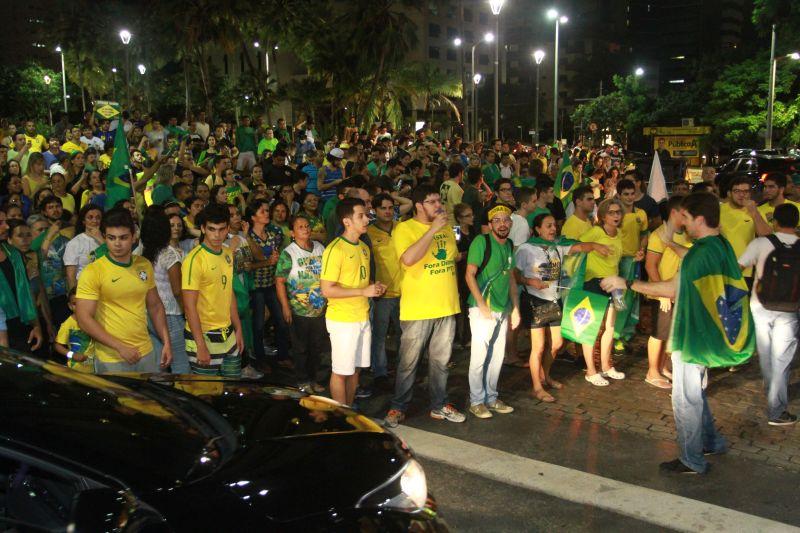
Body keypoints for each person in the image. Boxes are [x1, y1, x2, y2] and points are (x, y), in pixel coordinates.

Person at [602, 193, 754, 474]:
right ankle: (711, 441)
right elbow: (697, 263)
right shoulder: (719, 245)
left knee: (685, 398)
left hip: (693, 334)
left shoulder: (700, 252)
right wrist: (673, 244)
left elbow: (673, 288)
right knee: (696, 393)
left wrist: (627, 282)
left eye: (684, 217)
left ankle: (691, 459)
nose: (681, 223)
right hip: (709, 332)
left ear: (698, 219)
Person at [384, 185, 466, 427]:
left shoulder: (447, 227)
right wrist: (432, 231)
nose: (438, 205)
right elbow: (408, 259)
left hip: (446, 304)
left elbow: (451, 256)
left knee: (441, 361)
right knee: (408, 362)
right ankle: (398, 407)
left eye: (438, 201)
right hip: (418, 308)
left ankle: (439, 404)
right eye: (431, 202)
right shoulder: (404, 228)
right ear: (418, 206)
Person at [516, 213, 610, 401]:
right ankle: (536, 387)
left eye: (554, 225)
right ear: (537, 229)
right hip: (535, 301)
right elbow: (514, 275)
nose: (553, 229)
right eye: (548, 226)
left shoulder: (556, 247)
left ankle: (545, 375)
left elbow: (579, 247)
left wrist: (596, 246)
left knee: (557, 343)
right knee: (539, 347)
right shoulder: (526, 249)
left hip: (554, 300)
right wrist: (529, 281)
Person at [75, 207, 172, 373]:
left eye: (123, 238)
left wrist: (166, 342)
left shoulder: (144, 264)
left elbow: (155, 306)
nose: (117, 243)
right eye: (111, 238)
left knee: (148, 399)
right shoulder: (93, 271)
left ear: (134, 237)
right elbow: (84, 318)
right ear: (104, 237)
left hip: (147, 352)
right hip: (112, 357)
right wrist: (119, 347)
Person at [738, 203, 799, 426]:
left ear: (775, 222)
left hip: (760, 305)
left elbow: (740, 266)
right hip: (789, 309)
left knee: (765, 355)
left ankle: (772, 393)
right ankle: (776, 410)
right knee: (782, 359)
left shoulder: (761, 243)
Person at [320, 198, 383, 405]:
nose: (367, 219)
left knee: (355, 369)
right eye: (361, 216)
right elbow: (327, 289)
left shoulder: (363, 247)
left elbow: (361, 281)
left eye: (366, 214)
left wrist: (374, 288)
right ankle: (341, 416)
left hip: (362, 316)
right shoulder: (335, 249)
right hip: (343, 320)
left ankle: (348, 409)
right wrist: (363, 291)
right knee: (341, 371)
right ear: (347, 221)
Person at [464, 204, 520, 418]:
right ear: (490, 224)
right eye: (497, 220)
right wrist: (481, 304)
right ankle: (476, 400)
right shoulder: (482, 242)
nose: (502, 224)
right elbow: (470, 275)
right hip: (482, 310)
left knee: (497, 356)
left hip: (502, 309)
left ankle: (491, 397)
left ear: (511, 223)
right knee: (479, 357)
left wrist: (515, 308)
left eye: (505, 219)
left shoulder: (509, 245)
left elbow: (511, 279)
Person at [182, 204, 245, 377]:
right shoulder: (194, 260)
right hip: (204, 338)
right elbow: (189, 307)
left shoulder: (227, 253)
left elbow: (228, 292)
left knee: (232, 390)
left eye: (221, 229)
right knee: (207, 395)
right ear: (203, 228)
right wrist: (200, 345)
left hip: (228, 334)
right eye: (211, 229)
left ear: (227, 229)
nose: (217, 235)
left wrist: (238, 328)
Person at [644, 195, 691, 389]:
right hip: (662, 293)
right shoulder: (659, 235)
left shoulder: (688, 233)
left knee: (670, 332)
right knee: (659, 333)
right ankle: (652, 371)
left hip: (680, 291)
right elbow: (650, 265)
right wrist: (661, 292)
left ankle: (663, 366)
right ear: (674, 213)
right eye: (685, 213)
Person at [276, 214, 327, 392]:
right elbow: (280, 281)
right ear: (292, 233)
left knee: (317, 347)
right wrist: (285, 306)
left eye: (307, 226)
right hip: (299, 310)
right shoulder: (289, 253)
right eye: (300, 227)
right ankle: (302, 380)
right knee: (301, 348)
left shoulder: (320, 248)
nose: (306, 229)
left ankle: (313, 379)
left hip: (320, 308)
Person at [579, 198, 625, 386]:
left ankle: (606, 366)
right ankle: (590, 370)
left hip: (614, 283)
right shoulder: (596, 231)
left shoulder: (619, 233)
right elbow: (577, 246)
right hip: (594, 282)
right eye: (612, 212)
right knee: (591, 329)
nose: (616, 216)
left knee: (610, 327)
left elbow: (618, 256)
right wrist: (595, 246)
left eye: (618, 212)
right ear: (603, 216)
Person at [142, 208, 189, 374]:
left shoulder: (140, 253)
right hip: (170, 314)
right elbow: (177, 290)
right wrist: (187, 313)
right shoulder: (169, 254)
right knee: (180, 363)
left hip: (147, 315)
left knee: (159, 362)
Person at [364, 193, 403, 395]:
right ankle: (380, 374)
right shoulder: (368, 233)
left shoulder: (401, 228)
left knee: (403, 335)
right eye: (383, 208)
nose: (387, 212)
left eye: (390, 207)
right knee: (379, 336)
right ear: (375, 210)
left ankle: (403, 370)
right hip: (381, 295)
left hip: (405, 292)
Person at [246, 199, 291, 370]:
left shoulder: (272, 235)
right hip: (256, 286)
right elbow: (249, 265)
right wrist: (267, 262)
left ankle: (283, 356)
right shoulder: (248, 237)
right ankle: (260, 360)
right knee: (258, 324)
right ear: (253, 217)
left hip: (271, 283)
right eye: (262, 211)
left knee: (280, 320)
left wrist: (274, 262)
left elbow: (274, 259)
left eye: (266, 211)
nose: (267, 214)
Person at [0, 209, 43, 353]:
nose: (6, 226)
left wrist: (35, 325)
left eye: (6, 222)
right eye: (1, 223)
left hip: (22, 325)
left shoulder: (13, 253)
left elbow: (27, 290)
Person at [720, 176, 771, 287]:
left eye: (746, 191)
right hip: (720, 268)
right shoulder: (719, 211)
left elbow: (766, 235)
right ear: (729, 193)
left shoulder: (755, 211)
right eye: (737, 191)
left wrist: (754, 212)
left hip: (745, 270)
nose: (742, 195)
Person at [63, 204, 104, 290]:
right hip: (85, 289)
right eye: (90, 217)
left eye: (98, 217)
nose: (94, 220)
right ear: (83, 221)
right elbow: (71, 276)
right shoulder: (75, 243)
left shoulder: (110, 239)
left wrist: (101, 240)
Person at [54, 288, 94, 373]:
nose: (79, 307)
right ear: (70, 306)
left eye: (82, 303)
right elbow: (58, 346)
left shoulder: (94, 319)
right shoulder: (67, 324)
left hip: (96, 366)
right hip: (77, 368)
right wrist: (72, 355)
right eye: (75, 304)